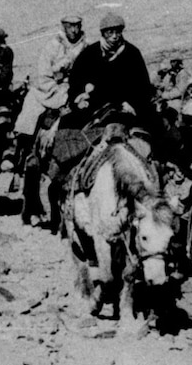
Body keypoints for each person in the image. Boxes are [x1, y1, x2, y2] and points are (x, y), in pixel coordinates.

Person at [44, 12, 157, 233]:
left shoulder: (132, 54)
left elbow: (143, 87)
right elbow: (76, 82)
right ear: (103, 33)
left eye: (117, 32)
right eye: (109, 32)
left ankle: (159, 180)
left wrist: (134, 103)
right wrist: (79, 97)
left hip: (125, 110)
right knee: (67, 131)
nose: (114, 36)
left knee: (153, 132)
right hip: (94, 110)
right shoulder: (89, 54)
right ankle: (64, 180)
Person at [16, 15, 89, 226]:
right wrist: (56, 89)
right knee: (31, 111)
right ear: (64, 27)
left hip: (76, 91)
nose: (74, 30)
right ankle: (25, 150)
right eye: (70, 26)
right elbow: (42, 74)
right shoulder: (51, 46)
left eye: (77, 26)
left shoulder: (86, 47)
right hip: (50, 90)